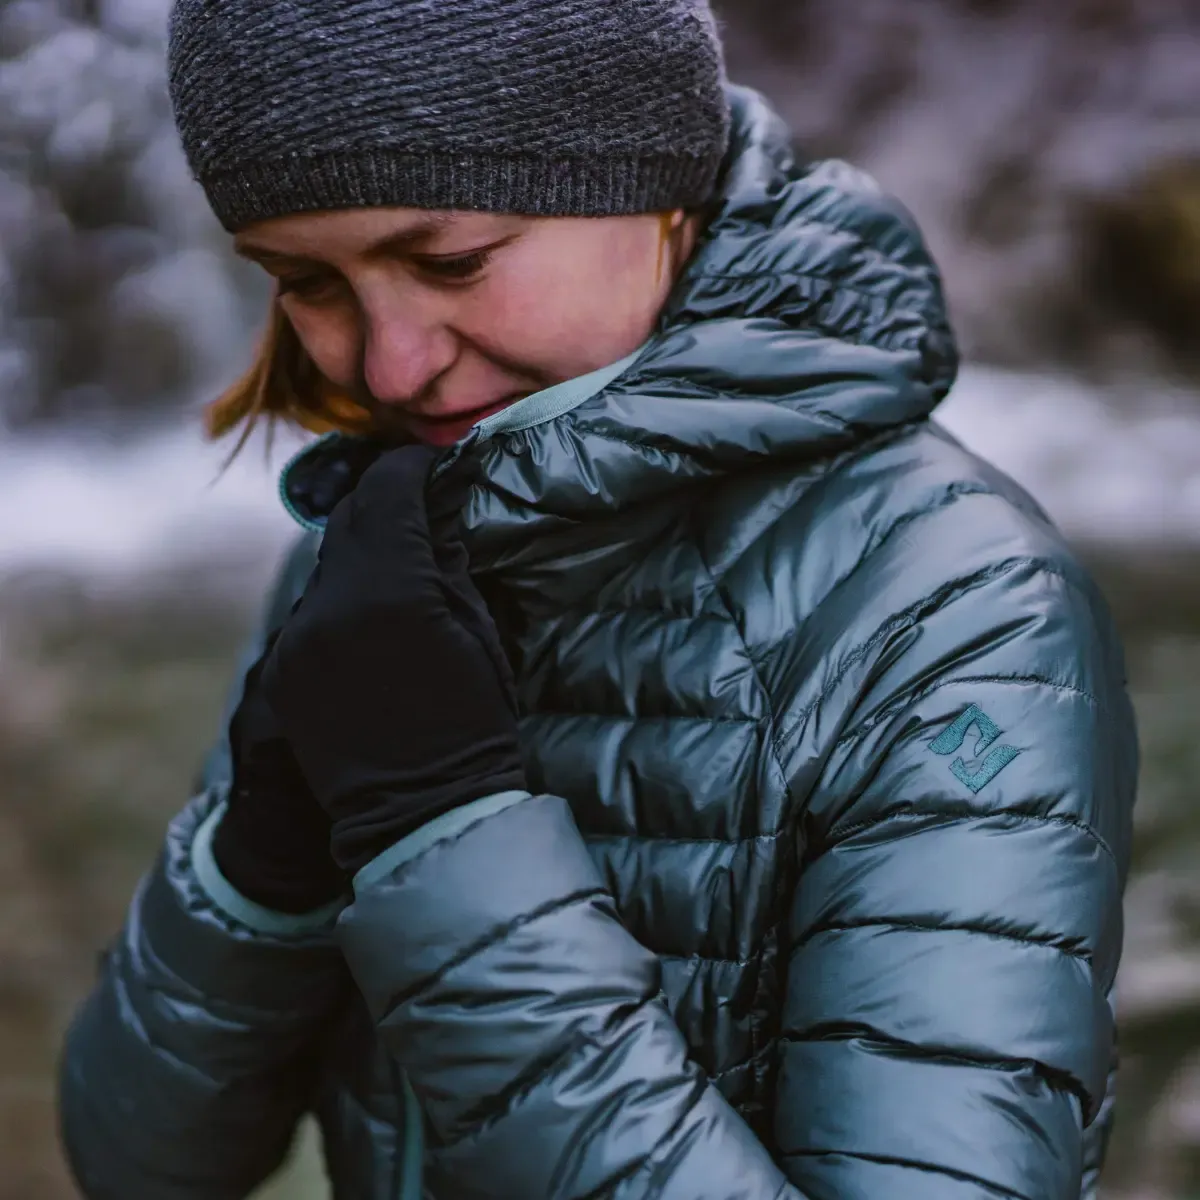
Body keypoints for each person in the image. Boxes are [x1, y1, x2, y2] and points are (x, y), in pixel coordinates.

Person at [57, 1, 1138, 1198]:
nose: (387, 364)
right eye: (304, 281)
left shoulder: (959, 614)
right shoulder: (376, 551)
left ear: (652, 178)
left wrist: (441, 835)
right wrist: (258, 862)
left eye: (449, 261)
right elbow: (138, 1163)